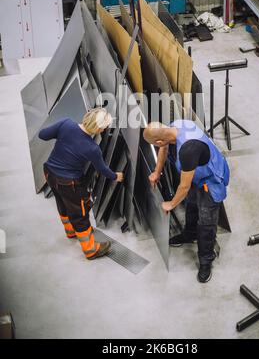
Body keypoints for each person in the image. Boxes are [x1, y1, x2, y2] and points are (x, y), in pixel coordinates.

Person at [143, 120, 230, 283]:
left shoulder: (188, 150)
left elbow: (184, 186)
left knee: (206, 222)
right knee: (191, 205)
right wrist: (157, 171)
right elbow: (164, 146)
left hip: (210, 182)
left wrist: (171, 204)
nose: (159, 146)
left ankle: (206, 260)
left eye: (155, 144)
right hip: (196, 176)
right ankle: (190, 234)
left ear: (160, 140)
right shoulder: (174, 126)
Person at [39, 108, 124, 260]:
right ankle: (90, 249)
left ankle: (70, 231)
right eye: (104, 127)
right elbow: (103, 170)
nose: (105, 130)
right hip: (69, 183)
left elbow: (42, 135)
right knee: (80, 213)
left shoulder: (66, 123)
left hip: (50, 173)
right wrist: (115, 176)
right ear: (98, 129)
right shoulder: (92, 148)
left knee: (62, 202)